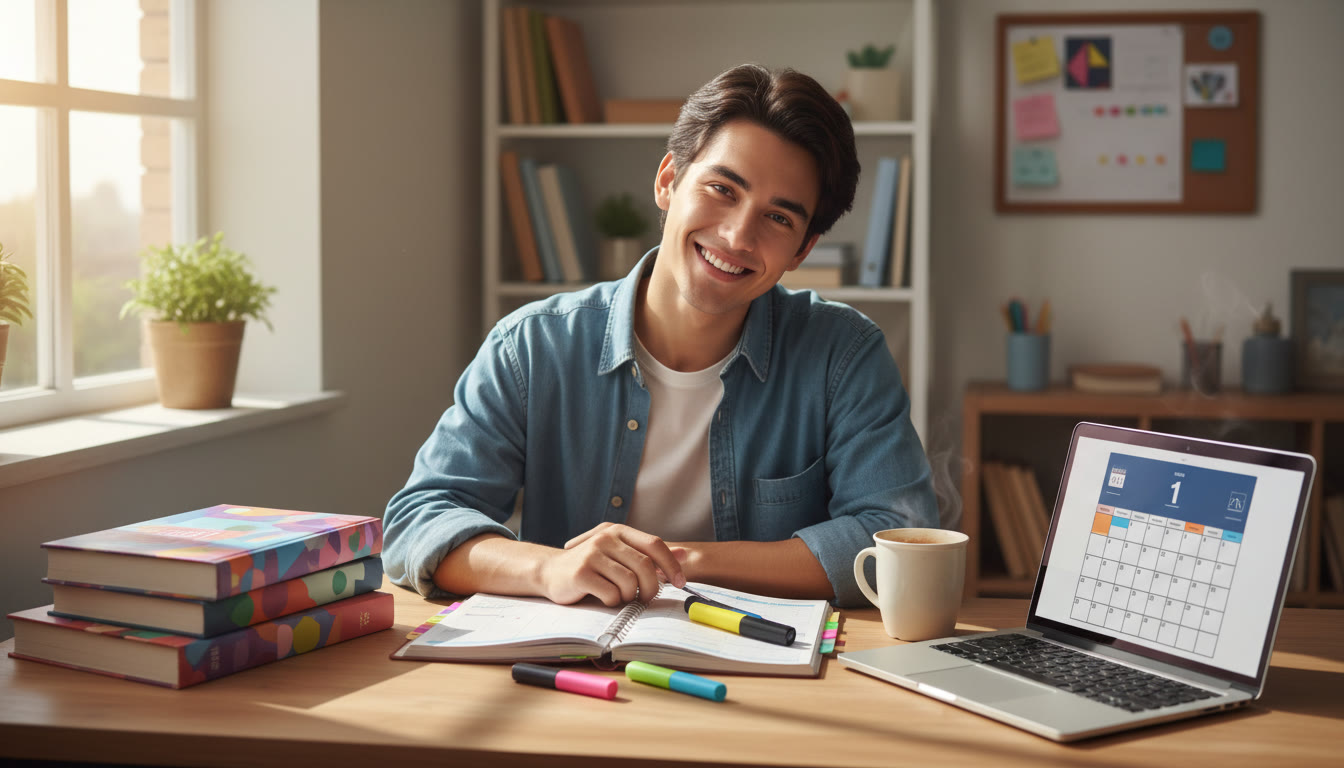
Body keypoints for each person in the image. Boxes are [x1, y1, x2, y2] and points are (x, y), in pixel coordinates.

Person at [383, 63, 938, 608]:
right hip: (568, 669)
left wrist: (682, 562)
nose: (737, 235)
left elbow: (897, 534)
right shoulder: (532, 346)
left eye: (779, 219)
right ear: (668, 180)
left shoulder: (843, 355)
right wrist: (549, 568)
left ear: (803, 250)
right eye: (722, 188)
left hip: (763, 666)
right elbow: (419, 521)